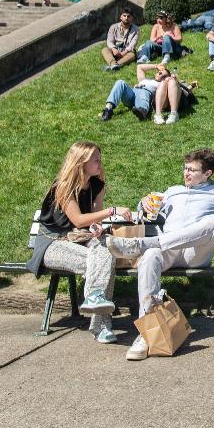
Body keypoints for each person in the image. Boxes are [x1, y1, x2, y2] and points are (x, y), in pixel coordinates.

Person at [113, 148, 214, 361]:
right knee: (150, 257)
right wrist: (143, 203)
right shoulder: (172, 191)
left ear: (207, 174)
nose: (186, 173)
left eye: (192, 170)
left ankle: (148, 243)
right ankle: (145, 334)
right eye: (185, 168)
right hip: (169, 251)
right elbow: (148, 211)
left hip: (195, 254)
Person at [25, 142, 134, 344]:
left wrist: (98, 227)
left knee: (104, 249)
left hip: (80, 240)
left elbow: (91, 220)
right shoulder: (63, 187)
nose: (100, 163)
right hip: (53, 244)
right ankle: (102, 325)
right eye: (96, 160)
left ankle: (95, 302)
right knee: (102, 262)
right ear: (81, 163)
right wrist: (112, 211)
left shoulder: (97, 185)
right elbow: (77, 220)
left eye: (100, 158)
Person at [98, 63, 196, 125]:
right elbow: (139, 67)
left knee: (144, 93)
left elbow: (176, 89)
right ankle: (108, 109)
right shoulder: (144, 80)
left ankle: (142, 112)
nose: (161, 75)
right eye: (160, 73)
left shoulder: (162, 84)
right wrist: (156, 66)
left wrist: (190, 85)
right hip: (131, 94)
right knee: (120, 82)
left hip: (145, 94)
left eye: (165, 75)